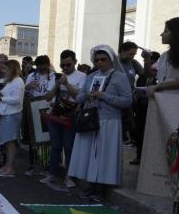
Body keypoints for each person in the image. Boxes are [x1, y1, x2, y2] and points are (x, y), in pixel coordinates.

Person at [67, 45, 132, 202]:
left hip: (110, 122)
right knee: (90, 155)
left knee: (104, 156)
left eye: (103, 59)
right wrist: (86, 95)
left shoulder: (120, 77)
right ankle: (90, 186)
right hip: (91, 119)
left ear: (111, 60)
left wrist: (104, 96)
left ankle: (102, 189)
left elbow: (128, 101)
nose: (100, 62)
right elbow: (79, 98)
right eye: (96, 60)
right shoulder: (91, 77)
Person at [41, 50, 86, 187]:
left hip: (71, 116)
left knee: (69, 147)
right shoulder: (55, 76)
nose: (65, 68)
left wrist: (66, 84)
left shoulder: (82, 76)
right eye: (63, 65)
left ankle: (69, 176)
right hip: (55, 115)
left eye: (68, 65)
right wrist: (56, 84)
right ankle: (52, 174)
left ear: (75, 62)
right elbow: (47, 97)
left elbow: (80, 96)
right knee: (55, 147)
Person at [22, 55, 55, 175]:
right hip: (34, 109)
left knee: (48, 139)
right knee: (34, 140)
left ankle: (45, 166)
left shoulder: (53, 76)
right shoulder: (32, 76)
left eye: (44, 66)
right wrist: (28, 86)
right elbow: (23, 90)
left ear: (48, 65)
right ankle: (32, 165)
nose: (41, 69)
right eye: (39, 66)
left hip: (48, 109)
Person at [0, 60, 24, 177]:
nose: (3, 71)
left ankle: (10, 167)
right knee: (7, 142)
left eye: (5, 69)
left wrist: (1, 99)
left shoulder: (18, 81)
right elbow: (7, 94)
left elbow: (17, 99)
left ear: (12, 69)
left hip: (12, 114)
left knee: (10, 141)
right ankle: (7, 166)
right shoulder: (11, 81)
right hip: (7, 114)